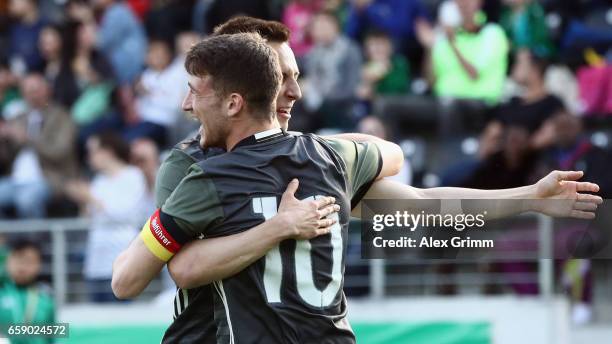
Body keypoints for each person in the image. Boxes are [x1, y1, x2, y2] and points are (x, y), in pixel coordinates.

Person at [66, 132, 148, 302]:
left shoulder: (133, 176)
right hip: (95, 263)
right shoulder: (98, 181)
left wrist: (90, 198)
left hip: (121, 260)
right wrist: (82, 201)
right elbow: (89, 219)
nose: (89, 158)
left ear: (108, 151)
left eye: (93, 151)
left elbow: (126, 214)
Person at [0, 74, 78, 218]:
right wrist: (4, 139)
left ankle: (33, 241)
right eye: (27, 91)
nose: (32, 95)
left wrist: (28, 139)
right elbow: (5, 158)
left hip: (50, 178)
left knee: (27, 199)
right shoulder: (18, 117)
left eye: (35, 90)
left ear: (47, 90)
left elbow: (60, 151)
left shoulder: (62, 116)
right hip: (16, 179)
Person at [0, 238, 55, 344]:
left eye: (29, 261)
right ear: (7, 261)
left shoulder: (46, 299)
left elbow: (51, 338)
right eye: (18, 259)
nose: (23, 266)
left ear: (39, 265)